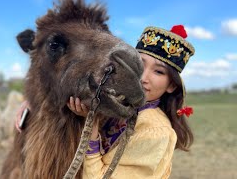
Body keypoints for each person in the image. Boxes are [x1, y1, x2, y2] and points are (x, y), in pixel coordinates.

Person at [16, 25, 195, 178]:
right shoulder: (116, 100)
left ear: (171, 85)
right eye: (140, 64)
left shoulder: (156, 132)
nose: (143, 77)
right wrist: (32, 101)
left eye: (159, 72)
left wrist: (91, 126)